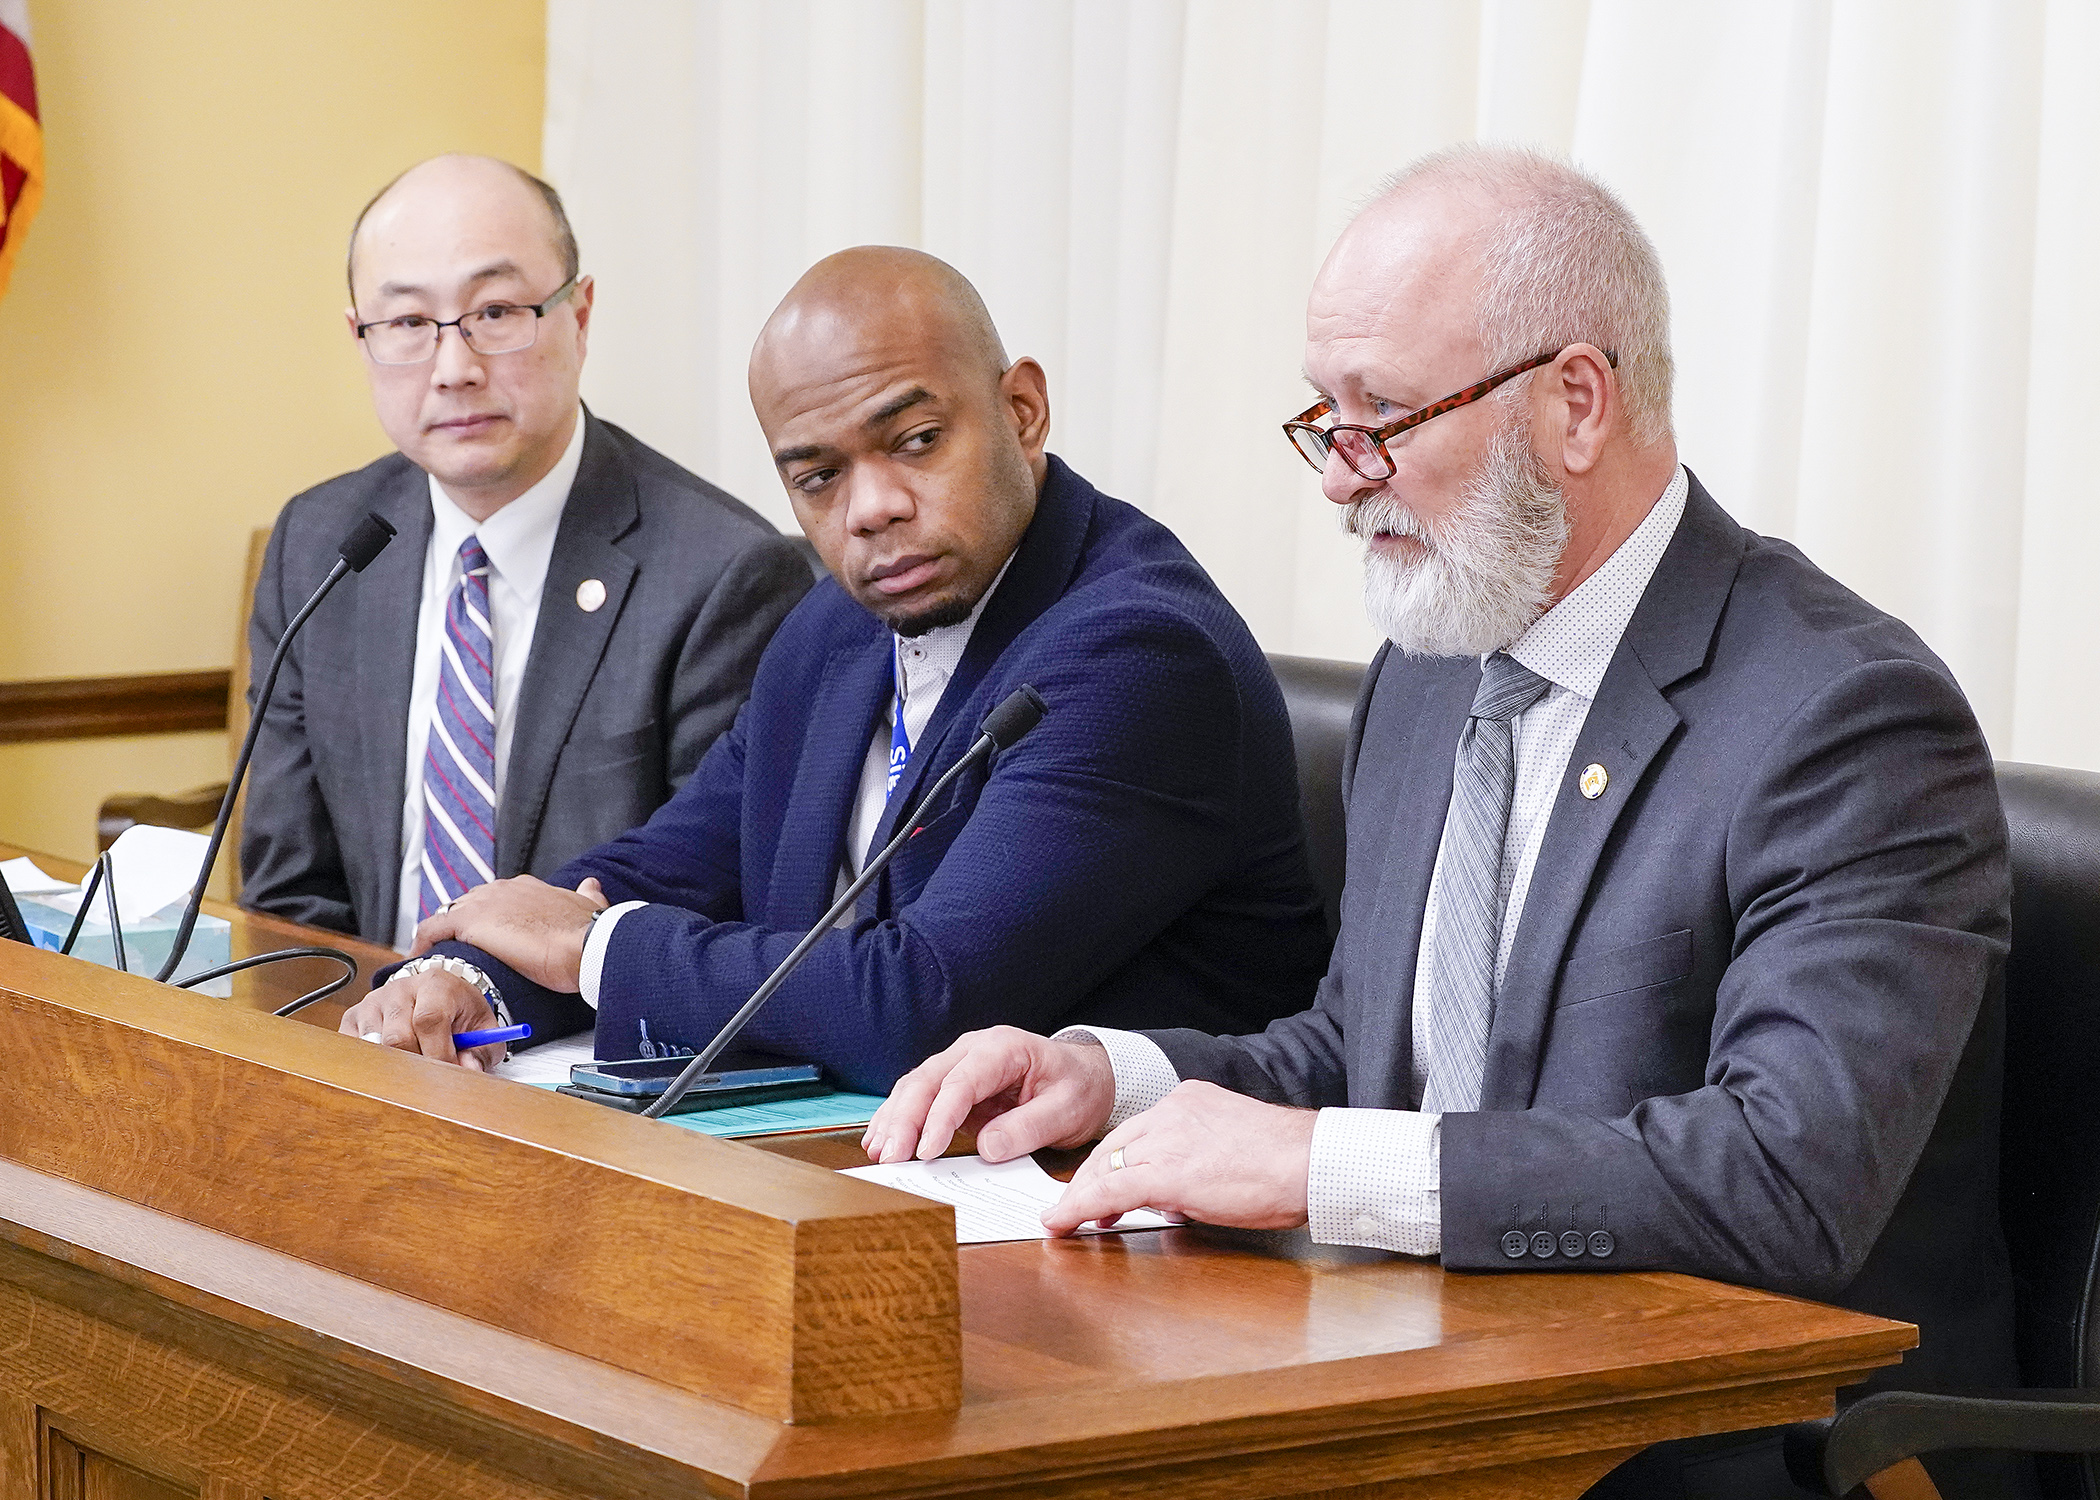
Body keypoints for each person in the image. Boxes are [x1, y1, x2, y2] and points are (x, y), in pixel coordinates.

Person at [864, 148, 2023, 1498]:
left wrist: (1312, 1166)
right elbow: (1371, 1053)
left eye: (1387, 417)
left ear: (1574, 404)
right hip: (1453, 1394)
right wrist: (1117, 1079)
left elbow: (1783, 1179)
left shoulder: (1844, 715)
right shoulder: (1428, 677)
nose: (1341, 477)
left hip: (1762, 1448)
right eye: (1325, 418)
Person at [338, 246, 1332, 1088]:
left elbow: (922, 1001)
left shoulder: (1140, 654)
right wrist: (474, 979)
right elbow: (676, 860)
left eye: (917, 441)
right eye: (818, 476)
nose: (871, 507)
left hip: (1132, 1231)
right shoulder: (837, 624)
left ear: (1023, 411)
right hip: (871, 1163)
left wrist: (590, 949)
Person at [240, 155, 811, 968]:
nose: (454, 367)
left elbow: (706, 901)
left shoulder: (723, 575)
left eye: (497, 311)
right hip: (357, 1038)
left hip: (576, 1064)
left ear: (579, 316)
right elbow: (289, 899)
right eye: (406, 324)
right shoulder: (323, 544)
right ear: (360, 338)